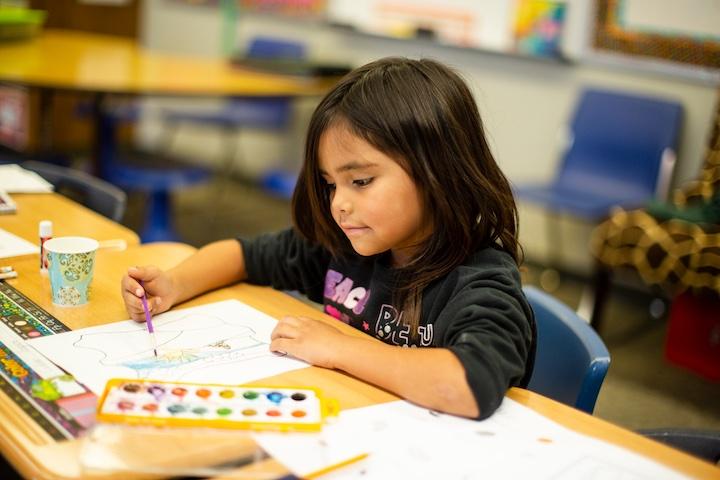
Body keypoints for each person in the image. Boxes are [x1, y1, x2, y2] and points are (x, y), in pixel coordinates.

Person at [121, 57, 536, 419]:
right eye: (330, 184)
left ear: (438, 172)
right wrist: (175, 284)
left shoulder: (480, 281)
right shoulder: (346, 248)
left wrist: (338, 349)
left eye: (360, 180)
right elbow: (245, 254)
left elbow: (468, 385)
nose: (339, 203)